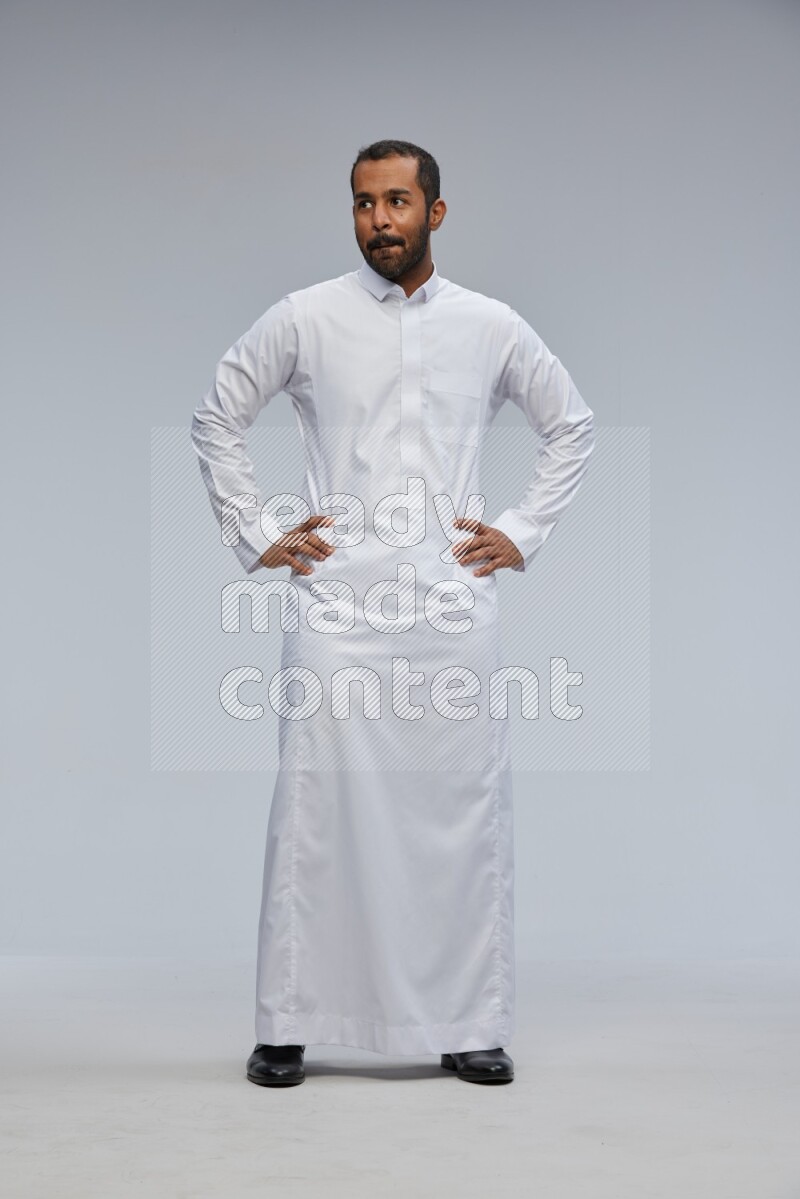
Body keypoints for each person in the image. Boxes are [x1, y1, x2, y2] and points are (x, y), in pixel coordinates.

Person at [191, 139, 595, 1087]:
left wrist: (520, 530)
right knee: (315, 807)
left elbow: (570, 423)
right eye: (366, 203)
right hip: (337, 604)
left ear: (436, 213)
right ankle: (289, 1020)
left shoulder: (489, 326)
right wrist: (258, 530)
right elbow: (217, 414)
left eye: (399, 202)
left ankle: (467, 1021)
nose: (380, 220)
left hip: (452, 604)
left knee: (461, 809)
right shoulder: (307, 318)